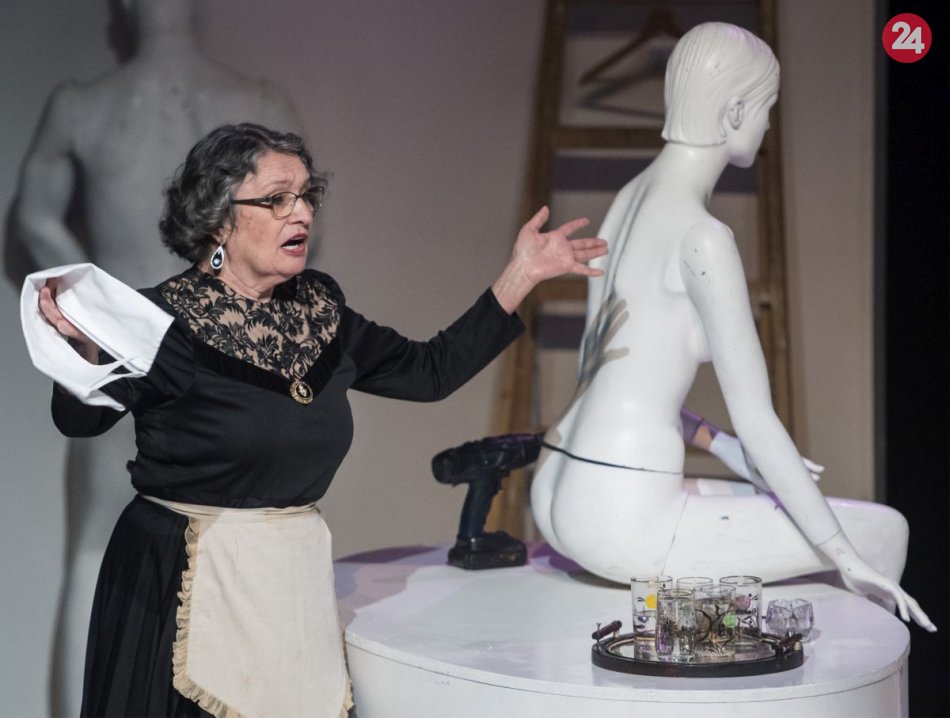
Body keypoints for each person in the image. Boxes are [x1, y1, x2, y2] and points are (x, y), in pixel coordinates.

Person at [32, 122, 608, 717]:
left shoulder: (318, 311)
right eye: (277, 199)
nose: (302, 212)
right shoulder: (159, 320)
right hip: (178, 581)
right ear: (219, 220)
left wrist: (522, 274)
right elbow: (79, 421)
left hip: (289, 580)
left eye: (308, 195)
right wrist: (85, 351)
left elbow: (430, 371)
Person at [530, 22, 934, 631]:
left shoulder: (630, 197)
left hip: (557, 483)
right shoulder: (704, 238)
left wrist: (725, 448)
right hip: (621, 515)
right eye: (767, 109)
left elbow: (618, 375)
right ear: (736, 110)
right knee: (881, 533)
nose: (767, 125)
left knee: (784, 501)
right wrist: (847, 557)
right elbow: (759, 419)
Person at [7, 3, 301, 713]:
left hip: (133, 346)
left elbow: (33, 219)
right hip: (224, 353)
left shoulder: (84, 105)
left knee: (96, 551)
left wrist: (100, 299)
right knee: (241, 552)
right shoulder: (258, 103)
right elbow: (296, 234)